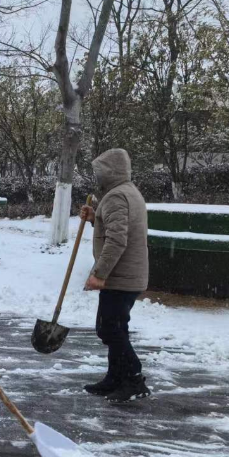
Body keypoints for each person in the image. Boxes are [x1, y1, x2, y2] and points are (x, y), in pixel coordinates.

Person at [79, 148, 150, 404]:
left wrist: (99, 274)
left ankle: (133, 377)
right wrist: (95, 215)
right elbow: (114, 223)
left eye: (99, 172)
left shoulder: (117, 197)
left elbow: (117, 240)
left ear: (110, 172)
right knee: (116, 327)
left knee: (109, 328)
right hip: (127, 276)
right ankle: (115, 377)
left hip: (121, 277)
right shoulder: (125, 192)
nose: (96, 177)